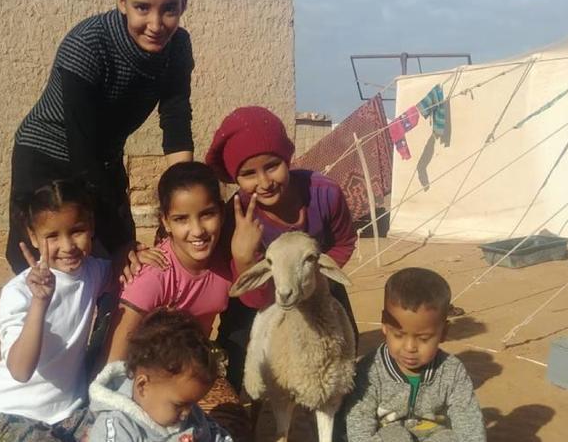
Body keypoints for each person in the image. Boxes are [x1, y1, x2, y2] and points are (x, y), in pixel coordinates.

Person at [6, 0, 195, 278]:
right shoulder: (88, 45)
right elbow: (82, 152)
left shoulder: (178, 47)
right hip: (47, 153)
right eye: (142, 8)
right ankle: (36, 325)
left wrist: (184, 199)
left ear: (184, 5)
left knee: (117, 266)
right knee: (47, 258)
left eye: (169, 10)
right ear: (122, 1)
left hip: (104, 156)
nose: (155, 24)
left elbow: (176, 120)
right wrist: (119, 240)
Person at [204, 105, 359, 390]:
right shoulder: (235, 218)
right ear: (235, 180)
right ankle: (242, 418)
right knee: (239, 355)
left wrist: (313, 278)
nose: (264, 182)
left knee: (345, 342)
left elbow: (344, 241)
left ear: (287, 159)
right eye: (249, 174)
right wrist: (243, 256)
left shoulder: (325, 195)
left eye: (272, 166)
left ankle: (338, 418)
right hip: (261, 288)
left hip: (313, 279)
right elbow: (252, 297)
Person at [103, 161, 255, 440]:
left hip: (193, 375)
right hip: (151, 380)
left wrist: (245, 259)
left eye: (207, 214)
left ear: (221, 213)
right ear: (165, 221)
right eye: (181, 219)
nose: (197, 231)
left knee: (234, 428)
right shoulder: (154, 274)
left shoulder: (226, 262)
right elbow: (114, 361)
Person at [0, 179, 112, 442]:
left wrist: (129, 251)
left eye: (77, 231)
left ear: (91, 226)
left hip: (70, 415)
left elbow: (122, 270)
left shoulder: (94, 272)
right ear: (32, 237)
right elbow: (20, 370)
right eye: (52, 236)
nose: (67, 246)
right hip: (11, 417)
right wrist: (39, 303)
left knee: (122, 429)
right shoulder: (18, 292)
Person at [339, 268, 486, 442]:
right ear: (385, 324)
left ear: (443, 332)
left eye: (423, 339)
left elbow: (470, 424)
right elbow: (359, 426)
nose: (409, 347)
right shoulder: (369, 370)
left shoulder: (452, 372)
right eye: (399, 335)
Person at [88, 308, 233, 441]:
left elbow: (217, 436)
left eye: (192, 403)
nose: (186, 413)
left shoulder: (190, 413)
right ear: (143, 386)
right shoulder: (118, 427)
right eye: (179, 405)